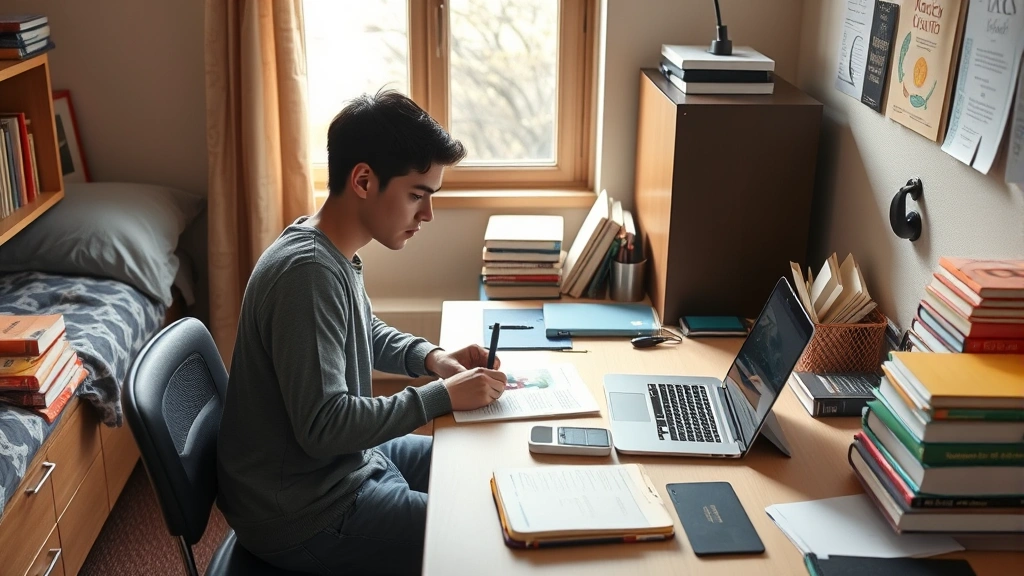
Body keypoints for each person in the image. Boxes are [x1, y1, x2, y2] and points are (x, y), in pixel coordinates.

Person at [217, 89, 508, 576]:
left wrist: (432, 358)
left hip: (340, 469)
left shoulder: (328, 249)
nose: (427, 214)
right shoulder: (306, 274)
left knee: (476, 467)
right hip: (306, 512)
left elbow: (361, 329)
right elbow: (324, 426)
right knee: (485, 529)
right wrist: (441, 395)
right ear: (364, 180)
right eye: (418, 195)